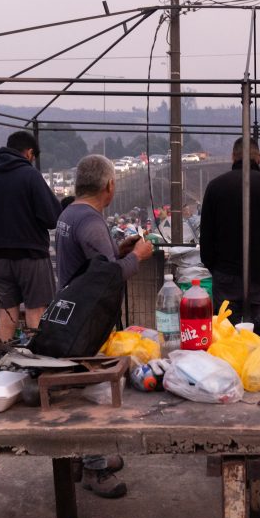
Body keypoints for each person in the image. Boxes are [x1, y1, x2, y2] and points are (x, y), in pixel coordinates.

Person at [55, 154, 153, 498]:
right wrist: (136, 258)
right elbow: (107, 278)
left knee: (85, 390)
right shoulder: (92, 223)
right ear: (109, 186)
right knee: (95, 395)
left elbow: (98, 262)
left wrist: (120, 250)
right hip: (87, 319)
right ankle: (94, 469)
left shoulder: (70, 213)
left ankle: (86, 456)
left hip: (71, 312)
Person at [0, 131, 62, 342]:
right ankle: (37, 366)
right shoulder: (29, 175)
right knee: (35, 313)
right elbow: (52, 216)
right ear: (29, 152)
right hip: (31, 256)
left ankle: (0, 366)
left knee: (7, 315)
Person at [200, 137, 260, 335]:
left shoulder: (215, 187)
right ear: (259, 158)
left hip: (226, 276)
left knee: (227, 335)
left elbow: (206, 237)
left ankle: (227, 367)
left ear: (233, 157)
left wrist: (215, 267)